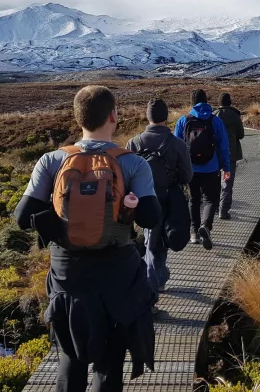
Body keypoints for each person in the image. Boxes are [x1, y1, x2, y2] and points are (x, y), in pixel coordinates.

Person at [14, 85, 160, 392]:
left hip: (68, 277)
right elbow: (152, 219)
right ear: (113, 116)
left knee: (70, 360)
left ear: (78, 117)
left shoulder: (52, 161)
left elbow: (21, 217)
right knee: (109, 366)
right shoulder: (133, 163)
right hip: (118, 277)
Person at [126, 98, 193, 299]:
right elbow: (187, 176)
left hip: (144, 200)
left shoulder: (133, 143)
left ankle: (158, 281)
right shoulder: (177, 143)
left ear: (148, 117)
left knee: (151, 242)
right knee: (158, 244)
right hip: (170, 198)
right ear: (166, 116)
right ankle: (153, 291)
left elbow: (127, 177)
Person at [174, 89, 232, 251]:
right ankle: (205, 226)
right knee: (211, 200)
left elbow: (177, 147)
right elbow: (223, 146)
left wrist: (179, 168)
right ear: (206, 101)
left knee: (193, 200)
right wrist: (226, 167)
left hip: (190, 168)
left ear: (192, 102)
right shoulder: (215, 121)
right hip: (211, 167)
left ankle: (193, 233)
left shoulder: (183, 121)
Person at [214, 93, 245, 220]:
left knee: (215, 182)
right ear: (230, 102)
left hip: (215, 154)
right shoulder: (235, 115)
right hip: (230, 154)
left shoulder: (214, 115)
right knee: (227, 183)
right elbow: (241, 135)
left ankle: (214, 207)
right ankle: (223, 210)